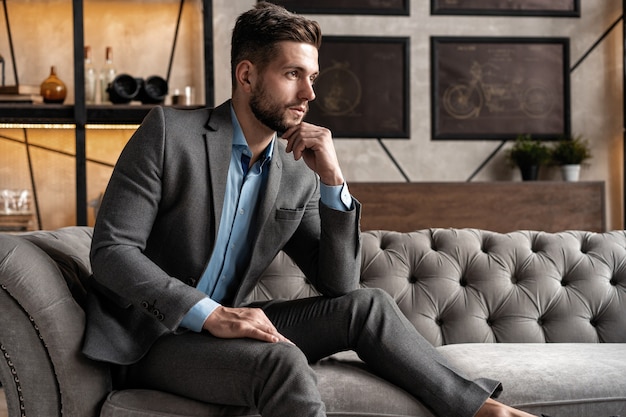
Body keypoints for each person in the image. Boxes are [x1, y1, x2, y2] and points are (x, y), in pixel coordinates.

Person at [82, 3, 539, 417]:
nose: (309, 94)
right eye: (292, 75)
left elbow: (339, 285)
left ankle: (480, 411)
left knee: (368, 306)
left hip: (229, 326)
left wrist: (333, 183)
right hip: (155, 336)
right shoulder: (168, 134)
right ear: (247, 76)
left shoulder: (296, 171)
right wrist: (210, 313)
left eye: (312, 77)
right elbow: (111, 251)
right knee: (281, 361)